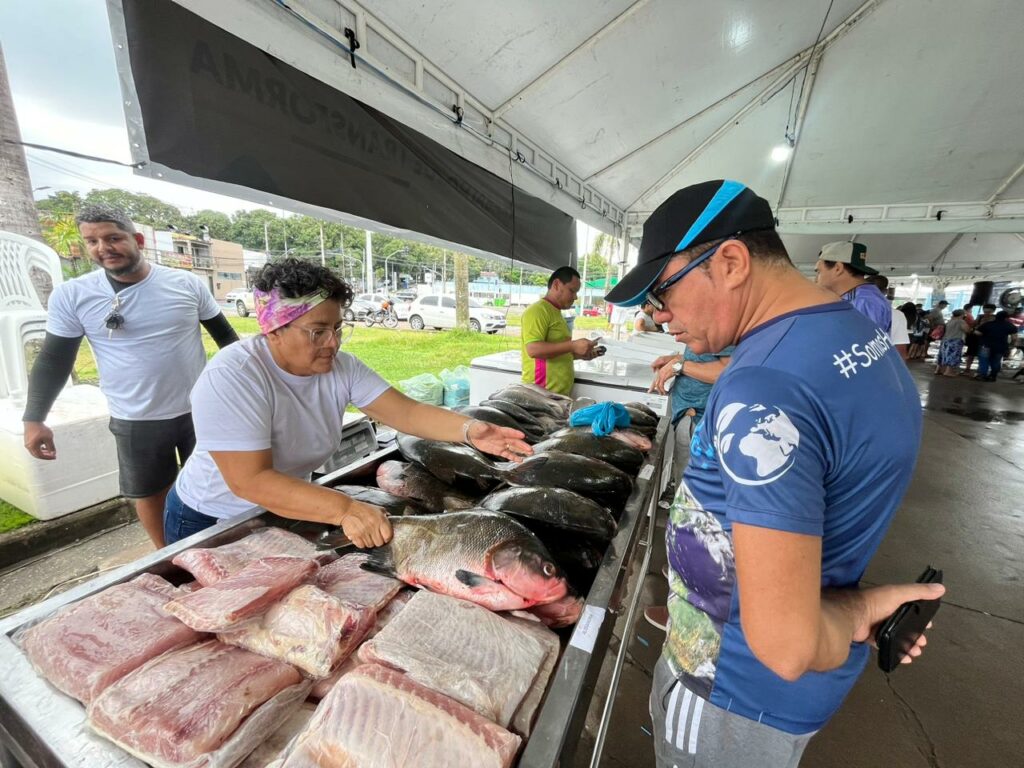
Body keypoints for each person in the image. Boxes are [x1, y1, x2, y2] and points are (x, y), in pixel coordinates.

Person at [604, 180, 942, 768]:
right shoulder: (855, 334)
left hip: (730, 690)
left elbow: (786, 645)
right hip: (779, 693)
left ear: (731, 262)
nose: (659, 317)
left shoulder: (764, 389)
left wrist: (860, 612)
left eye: (661, 293)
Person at [164, 259, 531, 546]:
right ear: (274, 329)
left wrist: (470, 430)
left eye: (338, 328)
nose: (333, 343)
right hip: (213, 518)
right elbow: (251, 480)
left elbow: (407, 412)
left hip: (285, 507)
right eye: (318, 331)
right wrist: (344, 509)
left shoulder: (341, 367)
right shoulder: (234, 375)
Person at [22, 205, 238, 548]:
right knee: (151, 493)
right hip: (135, 417)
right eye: (92, 241)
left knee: (220, 483)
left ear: (137, 240)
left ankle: (223, 550)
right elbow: (54, 359)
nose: (103, 248)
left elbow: (227, 339)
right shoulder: (73, 295)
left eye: (113, 238)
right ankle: (168, 558)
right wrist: (34, 419)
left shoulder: (184, 283)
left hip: (201, 409)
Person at [643, 343, 733, 631]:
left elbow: (727, 368)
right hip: (693, 421)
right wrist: (677, 359)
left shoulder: (723, 327)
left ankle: (688, 613)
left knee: (696, 517)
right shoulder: (711, 331)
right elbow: (709, 358)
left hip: (701, 424)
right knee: (690, 512)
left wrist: (680, 366)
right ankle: (683, 575)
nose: (665, 322)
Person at [520, 266, 600, 395]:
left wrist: (579, 354)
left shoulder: (556, 312)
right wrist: (573, 346)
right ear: (556, 284)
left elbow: (556, 352)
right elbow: (533, 349)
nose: (575, 297)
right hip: (540, 395)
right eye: (572, 291)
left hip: (556, 396)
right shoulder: (538, 311)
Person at [814, 241, 890, 333]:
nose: (816, 279)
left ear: (838, 268)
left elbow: (861, 340)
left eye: (819, 272)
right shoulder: (861, 297)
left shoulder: (863, 302)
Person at [867, 275, 909, 359]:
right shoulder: (897, 315)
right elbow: (900, 351)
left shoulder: (853, 311)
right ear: (886, 291)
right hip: (885, 361)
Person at [974, 310, 1018, 382]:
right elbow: (1014, 338)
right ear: (1006, 318)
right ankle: (992, 376)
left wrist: (983, 336)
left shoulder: (988, 324)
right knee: (996, 361)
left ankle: (982, 375)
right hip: (1000, 347)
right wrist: (1011, 345)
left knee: (984, 360)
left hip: (985, 345)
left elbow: (977, 332)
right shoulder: (1010, 326)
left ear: (996, 316)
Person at [935, 309, 970, 376]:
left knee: (942, 355)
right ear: (962, 315)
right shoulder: (961, 321)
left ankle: (938, 370)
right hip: (955, 340)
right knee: (953, 356)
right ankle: (948, 372)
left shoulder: (950, 321)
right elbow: (966, 330)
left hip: (945, 340)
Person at [962, 303, 996, 373]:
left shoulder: (995, 319)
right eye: (985, 311)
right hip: (976, 338)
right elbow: (973, 325)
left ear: (993, 311)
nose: (986, 313)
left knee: (983, 356)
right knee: (971, 354)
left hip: (986, 340)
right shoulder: (980, 317)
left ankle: (980, 370)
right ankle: (967, 368)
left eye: (988, 312)